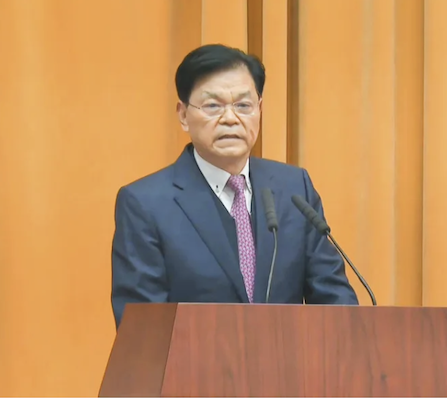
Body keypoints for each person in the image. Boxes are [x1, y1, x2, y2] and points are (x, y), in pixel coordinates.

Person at [110, 44, 358, 328]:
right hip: (195, 358)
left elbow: (335, 299)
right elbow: (143, 330)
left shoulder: (294, 189)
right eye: (212, 106)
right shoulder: (146, 204)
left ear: (259, 109)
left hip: (289, 357)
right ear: (183, 115)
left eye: (243, 105)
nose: (230, 118)